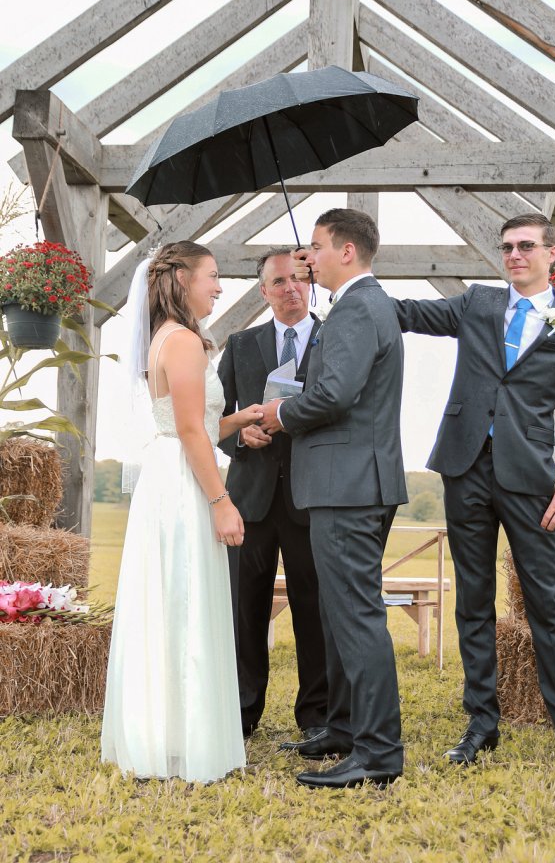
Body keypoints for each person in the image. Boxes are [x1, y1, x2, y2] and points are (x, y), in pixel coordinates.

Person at [392, 213, 555, 777]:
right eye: (507, 247)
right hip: (464, 469)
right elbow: (407, 313)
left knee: (548, 608)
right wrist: (346, 283)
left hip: (531, 482)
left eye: (525, 246)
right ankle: (481, 725)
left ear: (550, 254)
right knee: (474, 603)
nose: (513, 255)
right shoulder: (477, 304)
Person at [101, 241, 263, 783]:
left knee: (169, 599)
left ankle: (164, 732)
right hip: (185, 483)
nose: (219, 286)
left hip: (168, 473)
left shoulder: (164, 338)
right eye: (212, 276)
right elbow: (191, 430)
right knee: (187, 598)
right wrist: (222, 501)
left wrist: (242, 420)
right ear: (181, 281)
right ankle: (186, 738)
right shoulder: (187, 342)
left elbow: (185, 424)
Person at [260, 208, 407, 790]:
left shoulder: (355, 310)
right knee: (342, 615)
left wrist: (280, 413)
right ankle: (347, 728)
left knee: (357, 618)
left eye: (315, 247)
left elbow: (334, 395)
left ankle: (377, 753)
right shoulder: (361, 306)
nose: (306, 258)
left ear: (347, 251)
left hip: (347, 488)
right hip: (354, 482)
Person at [217, 247, 327, 741]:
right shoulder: (241, 345)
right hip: (250, 498)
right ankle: (241, 712)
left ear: (313, 282)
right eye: (279, 281)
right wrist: (240, 436)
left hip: (313, 496)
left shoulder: (334, 338)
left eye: (299, 278)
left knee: (315, 609)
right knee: (243, 609)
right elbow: (209, 421)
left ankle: (317, 716)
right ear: (264, 291)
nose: (291, 288)